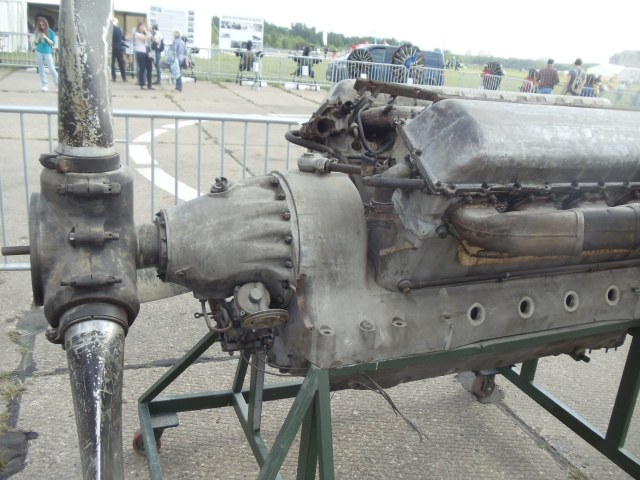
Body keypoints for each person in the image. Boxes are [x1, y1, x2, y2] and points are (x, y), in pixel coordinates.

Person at [33, 16, 58, 92]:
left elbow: (53, 43)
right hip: (39, 51)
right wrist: (38, 37)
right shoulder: (38, 32)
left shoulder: (51, 32)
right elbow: (36, 43)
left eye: (43, 24)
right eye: (40, 25)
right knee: (41, 68)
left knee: (51, 68)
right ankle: (44, 85)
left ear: (46, 24)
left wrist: (46, 38)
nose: (42, 26)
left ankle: (58, 85)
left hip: (47, 52)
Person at [132, 19, 153, 90]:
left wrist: (147, 31)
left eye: (144, 26)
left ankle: (149, 84)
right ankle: (142, 84)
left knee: (149, 69)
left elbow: (149, 38)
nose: (143, 27)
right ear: (138, 27)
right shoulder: (137, 34)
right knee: (142, 69)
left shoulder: (145, 33)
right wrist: (148, 32)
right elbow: (144, 39)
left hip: (147, 52)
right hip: (140, 52)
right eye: (142, 26)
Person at [111, 18, 127, 82]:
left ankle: (114, 77)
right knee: (121, 63)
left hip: (112, 48)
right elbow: (123, 38)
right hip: (119, 47)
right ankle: (124, 78)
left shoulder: (111, 29)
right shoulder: (119, 29)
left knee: (112, 63)